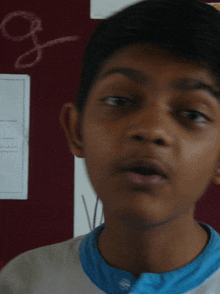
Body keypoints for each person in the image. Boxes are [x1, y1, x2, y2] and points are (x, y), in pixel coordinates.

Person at [1, 0, 220, 293]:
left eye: (192, 114)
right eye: (120, 100)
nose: (152, 130)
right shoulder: (25, 282)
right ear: (76, 130)